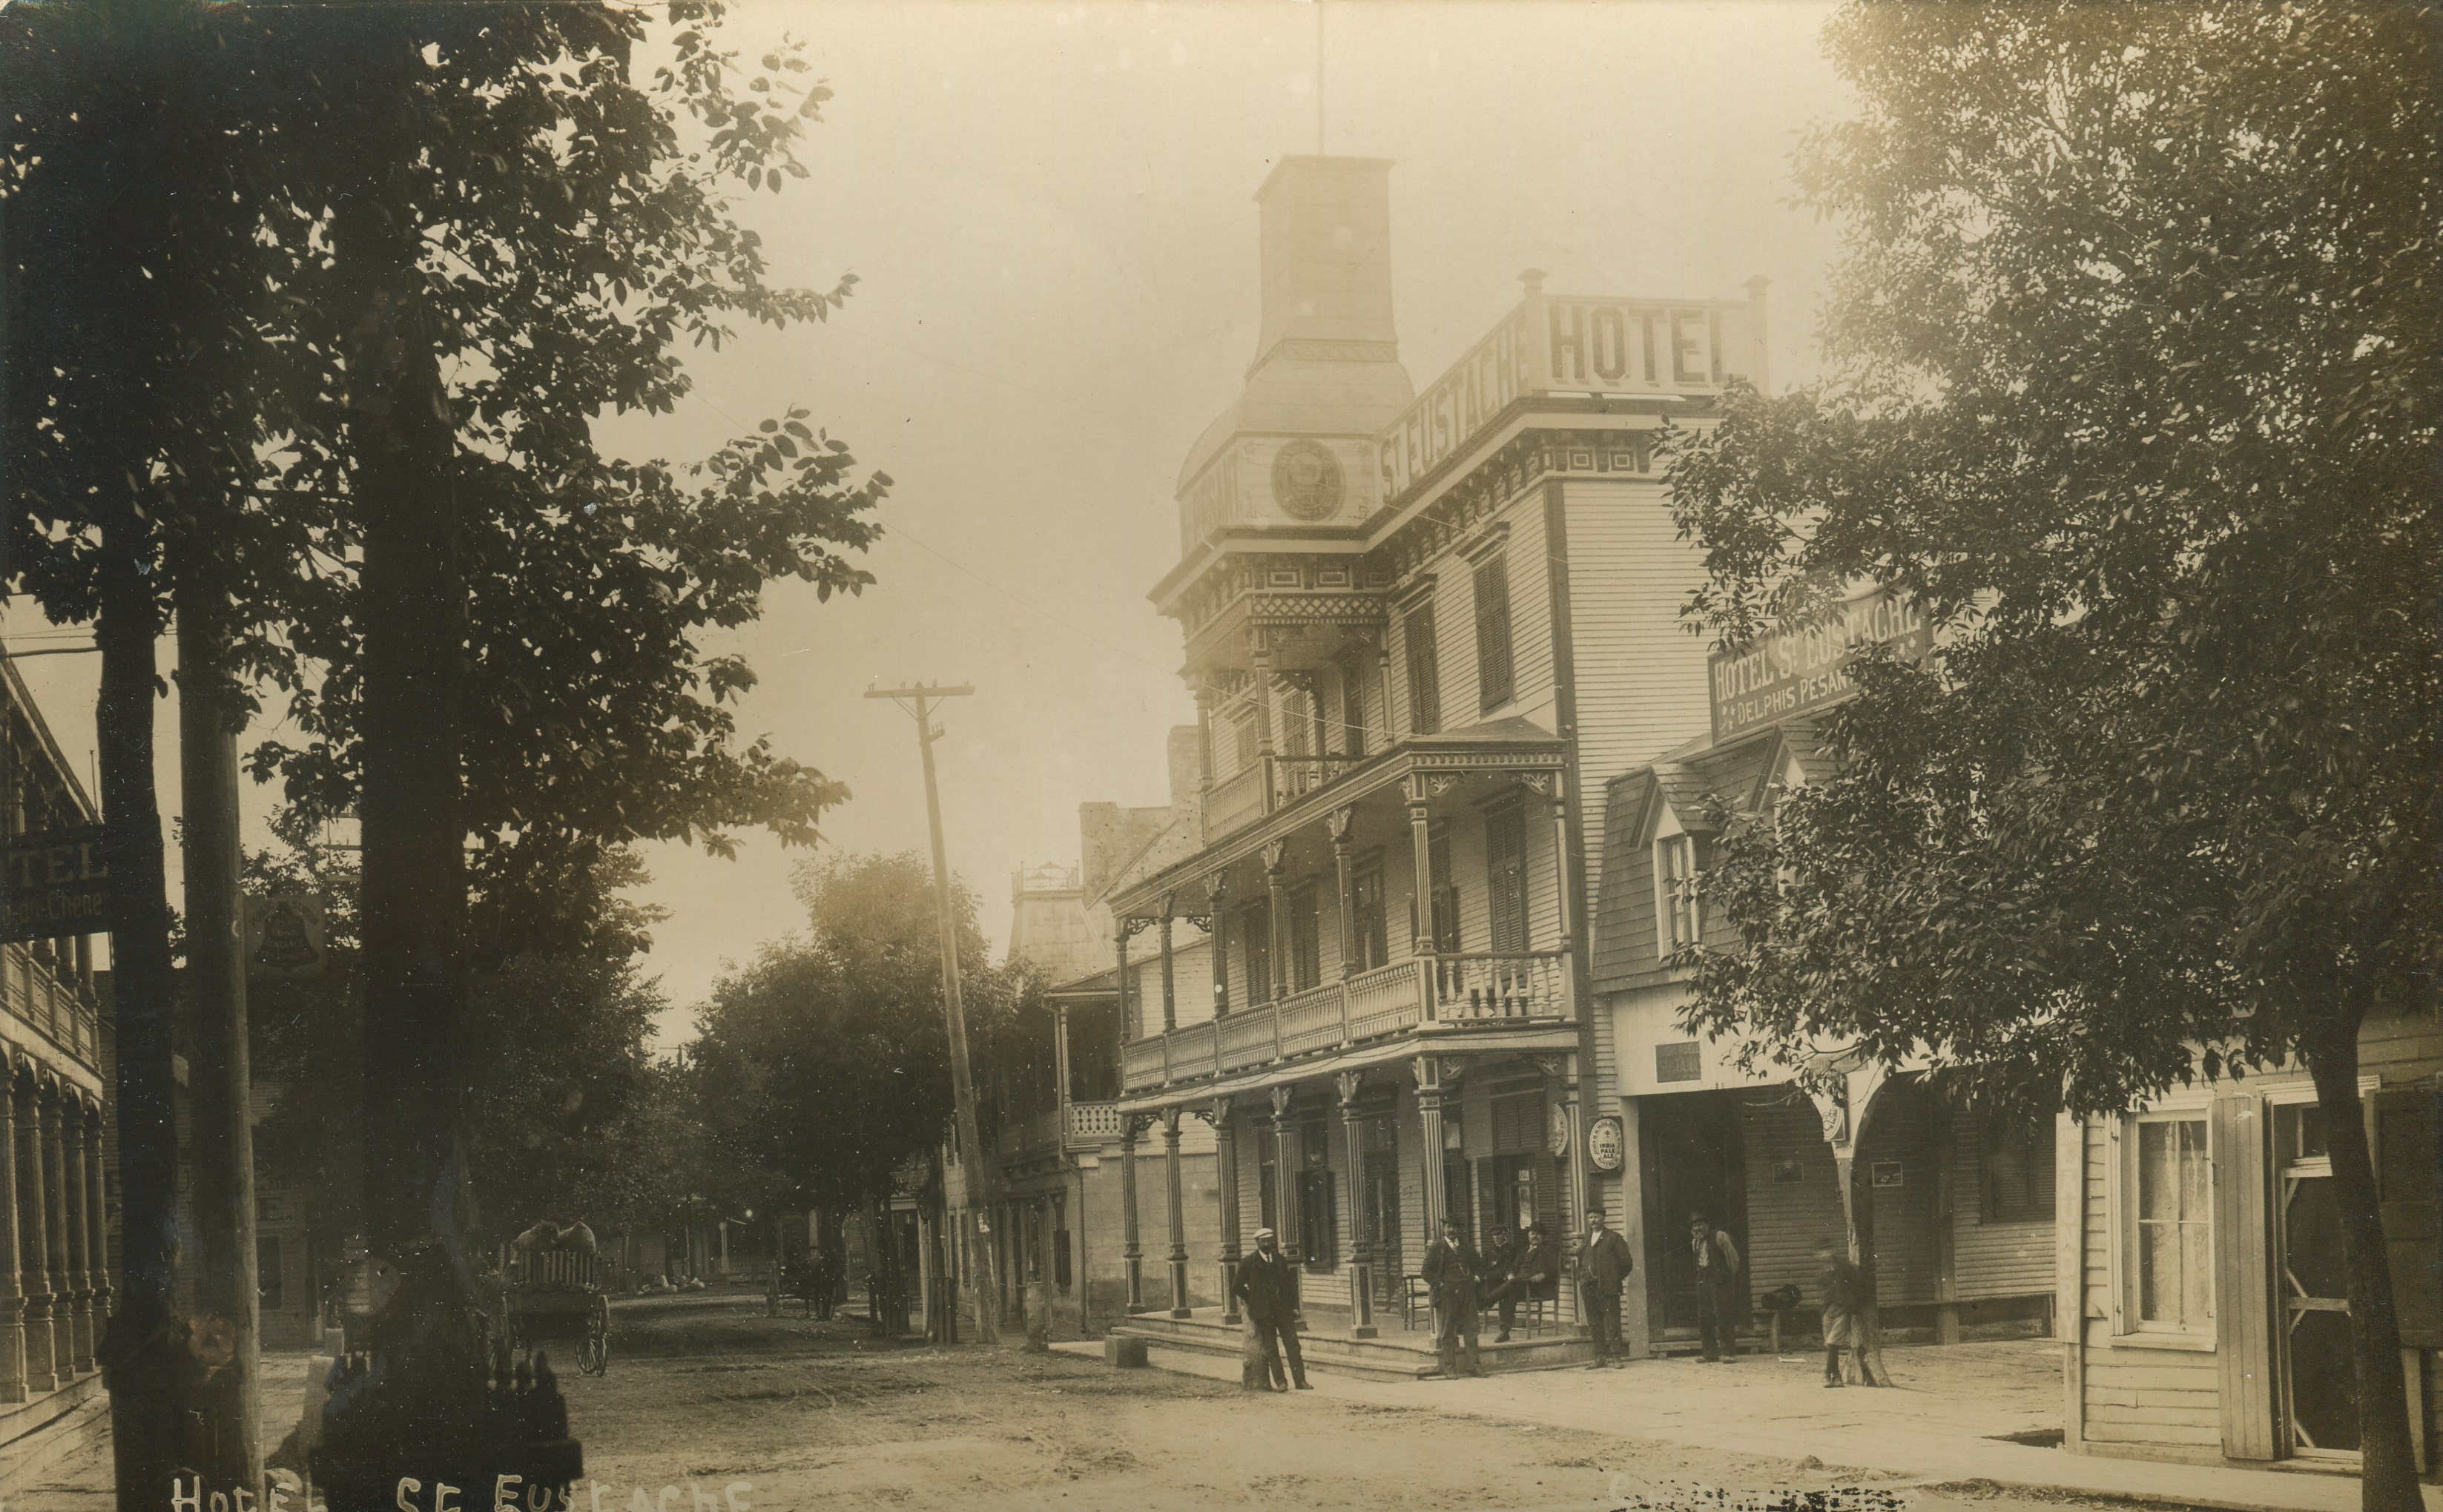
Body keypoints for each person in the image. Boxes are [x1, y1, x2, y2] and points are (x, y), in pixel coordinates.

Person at [1233, 1227, 1310, 1390]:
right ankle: (1281, 1382)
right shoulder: (1249, 1262)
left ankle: (1300, 1381)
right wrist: (1253, 1299)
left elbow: (1290, 1286)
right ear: (1257, 1242)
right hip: (1263, 1312)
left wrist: (1294, 1306)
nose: (1267, 1244)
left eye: (1269, 1240)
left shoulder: (1280, 1260)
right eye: (1264, 1241)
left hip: (1283, 1310)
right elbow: (1237, 1286)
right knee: (1271, 1347)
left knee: (1293, 1344)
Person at [1422, 1218, 1486, 1379]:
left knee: (1471, 1330)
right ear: (1444, 1228)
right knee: (1448, 1331)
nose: (1452, 1230)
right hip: (1448, 1294)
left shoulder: (1466, 1246)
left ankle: (1474, 1366)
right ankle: (1450, 1367)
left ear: (1459, 1229)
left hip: (1467, 1291)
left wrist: (1477, 1279)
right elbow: (1426, 1272)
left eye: (1455, 1227)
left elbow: (1479, 1265)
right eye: (1449, 1226)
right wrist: (1441, 1285)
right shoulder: (1436, 1248)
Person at [1813, 1236, 1879, 1387]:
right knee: (1829, 1342)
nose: (1825, 1254)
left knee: (1833, 1342)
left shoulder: (1844, 1266)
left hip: (1842, 1309)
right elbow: (1822, 1287)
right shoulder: (1822, 1270)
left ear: (1833, 1250)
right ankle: (1834, 1376)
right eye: (1821, 1252)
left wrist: (1851, 1304)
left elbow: (1859, 1284)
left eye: (1828, 1250)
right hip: (1828, 1309)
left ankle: (1831, 1375)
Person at [1576, 1212, 1633, 1369]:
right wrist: (1581, 1277)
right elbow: (1580, 1261)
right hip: (1588, 1287)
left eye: (1596, 1217)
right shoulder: (1587, 1240)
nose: (1593, 1221)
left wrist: (1613, 1278)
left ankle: (1616, 1357)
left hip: (1607, 1288)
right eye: (1590, 1218)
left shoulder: (1614, 1238)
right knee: (1594, 1323)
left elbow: (1626, 1263)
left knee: (1612, 1321)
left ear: (1603, 1219)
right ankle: (1599, 1357)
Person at [1484, 1222, 1557, 1342]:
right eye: (1532, 1234)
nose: (1535, 1236)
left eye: (1538, 1234)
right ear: (1528, 1235)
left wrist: (1544, 1274)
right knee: (1507, 1293)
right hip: (1521, 1285)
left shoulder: (1549, 1249)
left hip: (1538, 1286)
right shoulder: (1524, 1250)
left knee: (1508, 1289)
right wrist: (1510, 1274)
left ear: (1544, 1236)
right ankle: (1504, 1331)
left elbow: (1554, 1267)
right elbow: (1513, 1266)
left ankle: (1489, 1299)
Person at [1689, 1212, 1744, 1362]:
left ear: (1707, 1225)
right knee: (1704, 1317)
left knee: (1723, 1315)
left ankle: (1728, 1353)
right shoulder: (1695, 1242)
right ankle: (1710, 1353)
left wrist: (1726, 1279)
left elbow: (1733, 1259)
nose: (1698, 1229)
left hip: (1719, 1281)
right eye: (1695, 1226)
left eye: (1701, 1225)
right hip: (1702, 1280)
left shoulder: (1720, 1237)